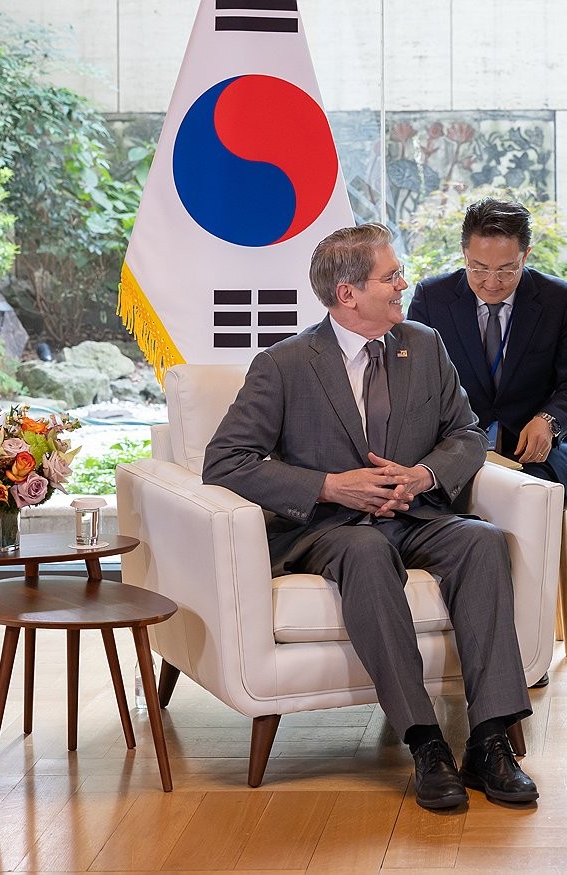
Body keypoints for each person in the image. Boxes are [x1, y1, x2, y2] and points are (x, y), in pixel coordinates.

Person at [202, 223, 538, 810]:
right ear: (348, 294)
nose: (404, 285)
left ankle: (489, 740)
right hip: (329, 528)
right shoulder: (284, 364)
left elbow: (465, 433)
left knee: (483, 541)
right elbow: (226, 461)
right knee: (365, 550)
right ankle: (426, 741)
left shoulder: (423, 345)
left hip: (417, 515)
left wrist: (424, 475)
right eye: (391, 277)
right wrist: (330, 486)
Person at [407, 198, 567, 508]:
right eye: (479, 268)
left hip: (533, 449)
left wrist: (548, 421)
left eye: (507, 270)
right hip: (455, 445)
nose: (492, 283)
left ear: (525, 256)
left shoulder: (559, 300)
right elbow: (415, 382)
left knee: (530, 502)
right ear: (465, 254)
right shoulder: (432, 298)